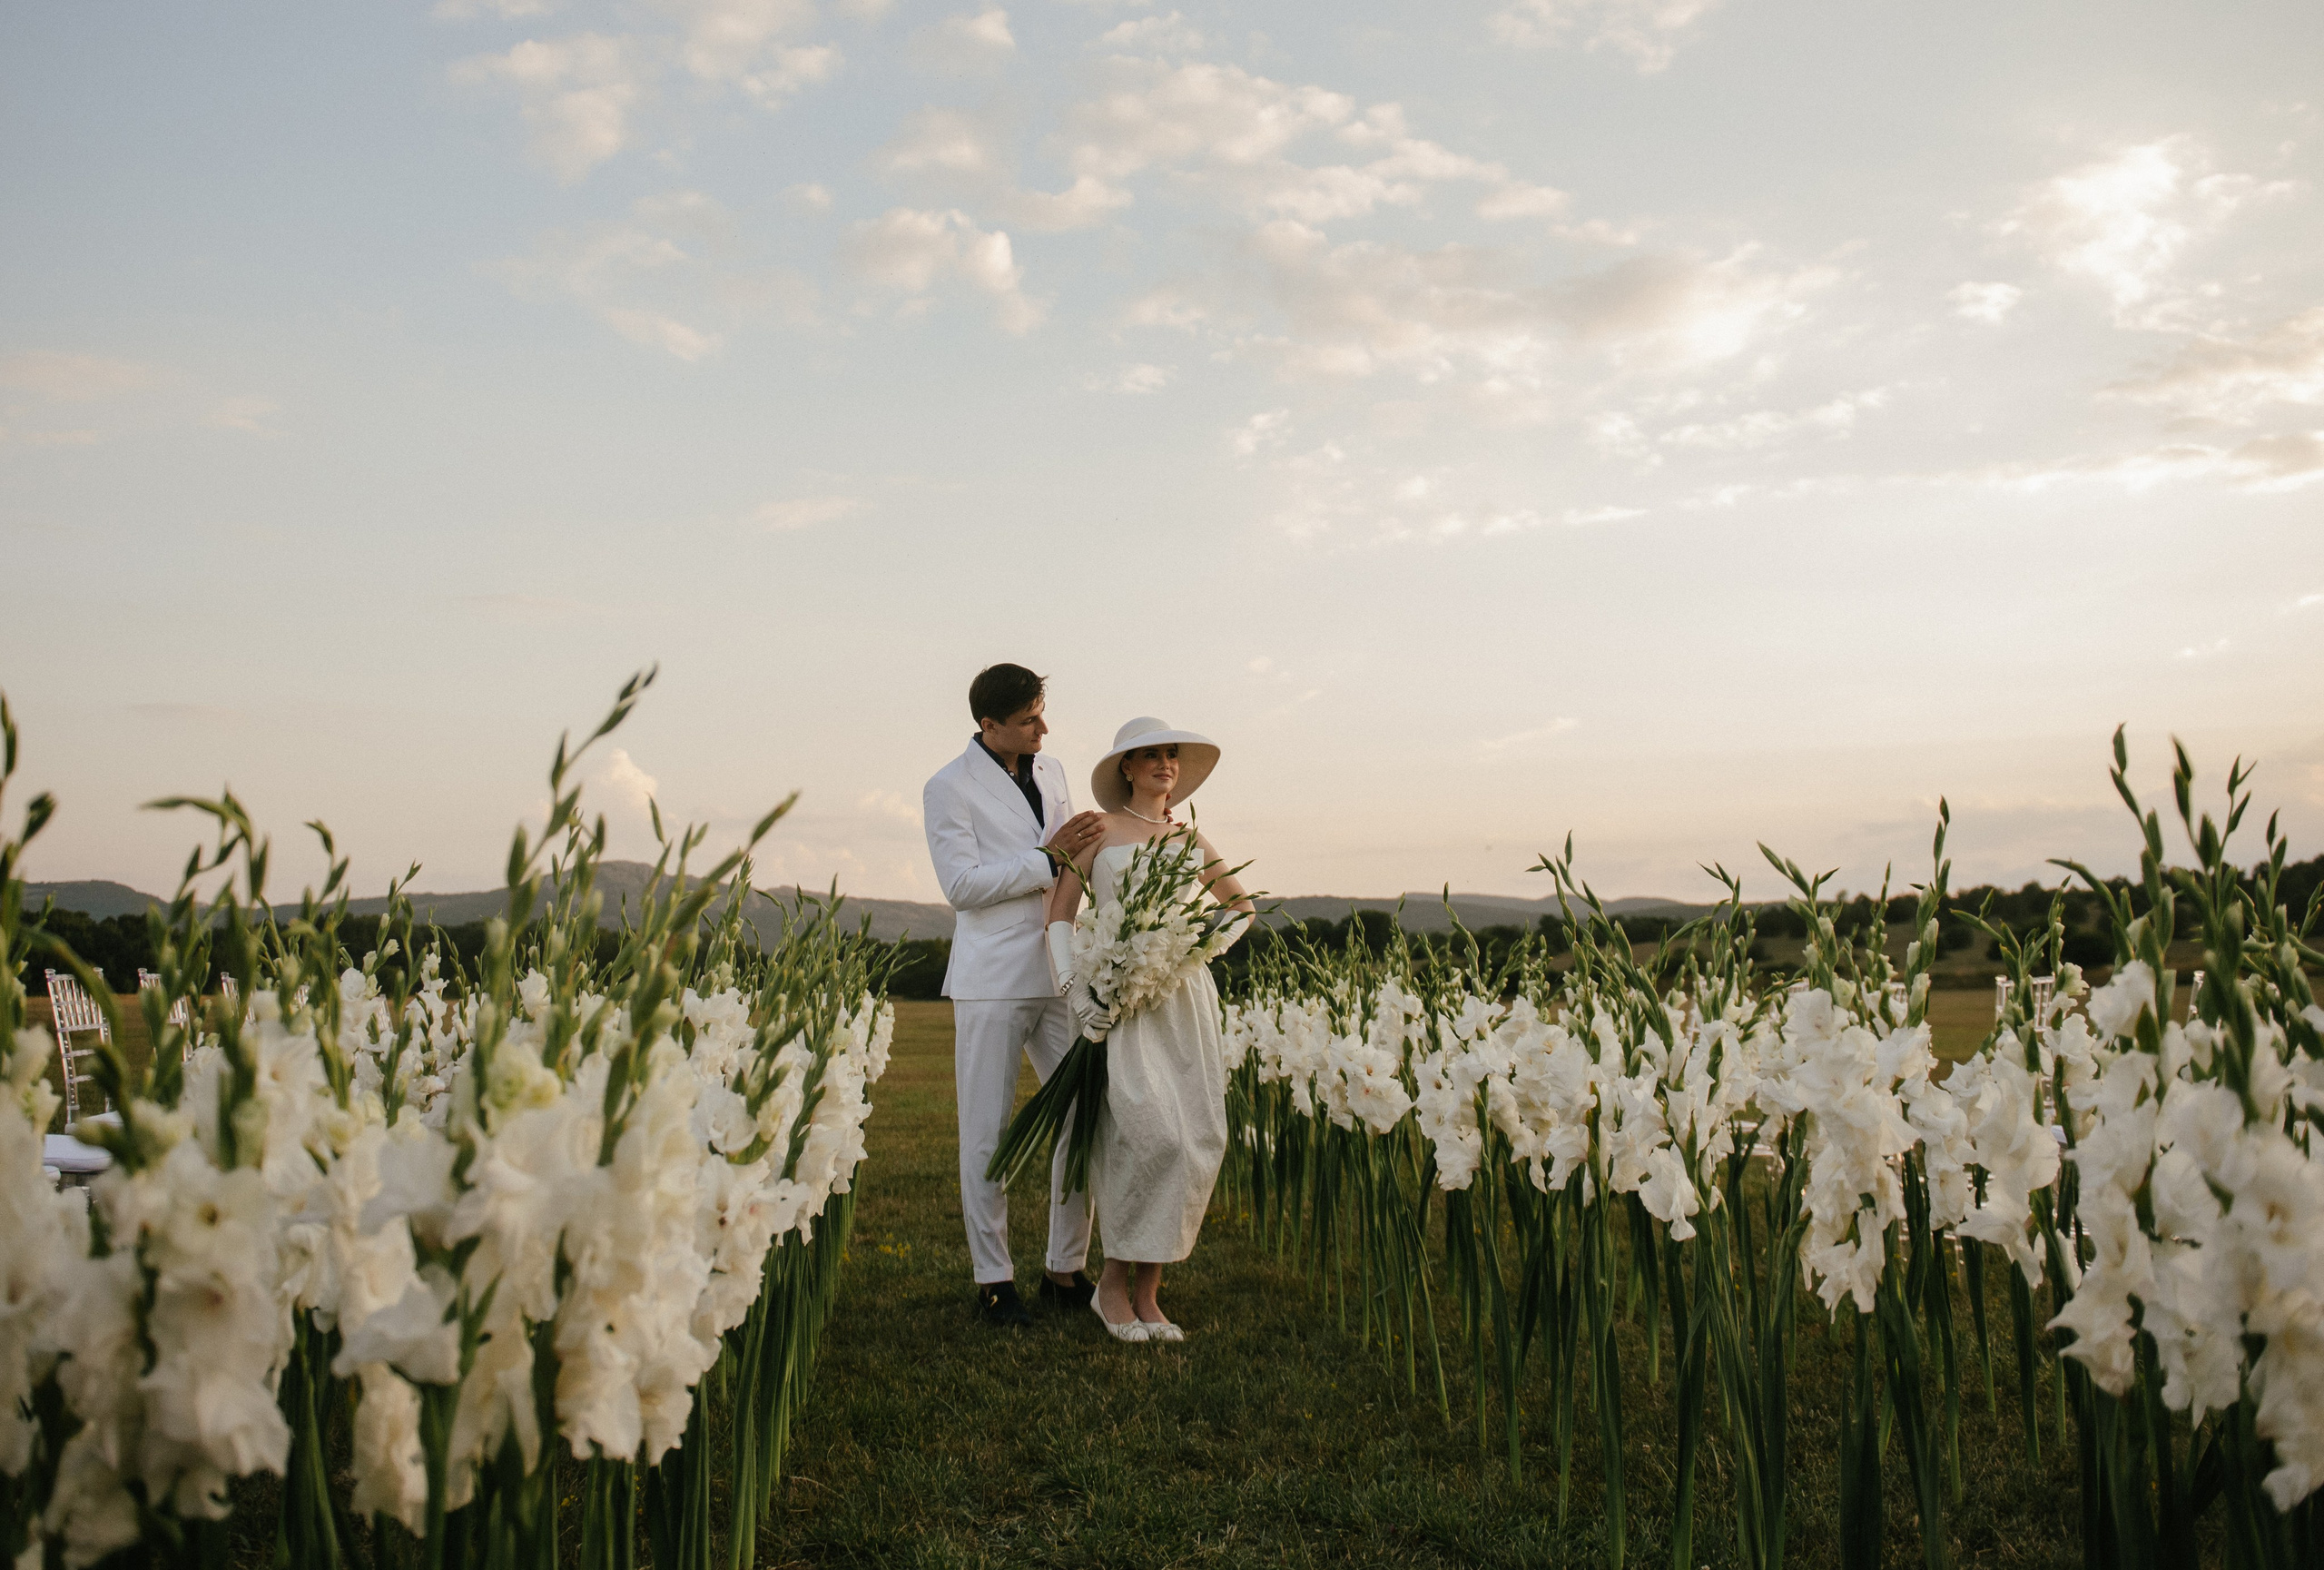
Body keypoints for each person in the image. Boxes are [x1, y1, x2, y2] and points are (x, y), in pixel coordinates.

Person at [1046, 717, 1253, 1344]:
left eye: (1172, 755)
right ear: (1126, 770)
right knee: (1146, 1132)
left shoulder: (1189, 837)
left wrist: (1188, 946)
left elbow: (1239, 907)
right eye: (1150, 756)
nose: (1165, 763)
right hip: (1119, 1000)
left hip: (1182, 999)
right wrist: (1075, 994)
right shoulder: (1100, 830)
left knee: (1193, 1136)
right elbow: (1060, 915)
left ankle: (1149, 1293)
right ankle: (1110, 1285)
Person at [922, 664, 1111, 1328]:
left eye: (1042, 714)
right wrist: (1049, 857)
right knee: (986, 1132)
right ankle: (993, 1279)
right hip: (992, 977)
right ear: (989, 725)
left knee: (1083, 1113)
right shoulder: (947, 787)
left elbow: (1080, 852)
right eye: (1030, 718)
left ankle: (1065, 1267)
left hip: (1062, 966)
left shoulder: (1053, 770)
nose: (1044, 727)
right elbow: (962, 885)